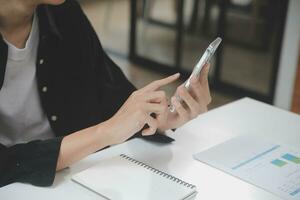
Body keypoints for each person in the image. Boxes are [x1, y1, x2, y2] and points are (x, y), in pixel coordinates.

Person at [0, 0, 211, 187]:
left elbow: (112, 95)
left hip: (72, 178)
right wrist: (105, 132)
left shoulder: (63, 13)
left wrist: (163, 118)